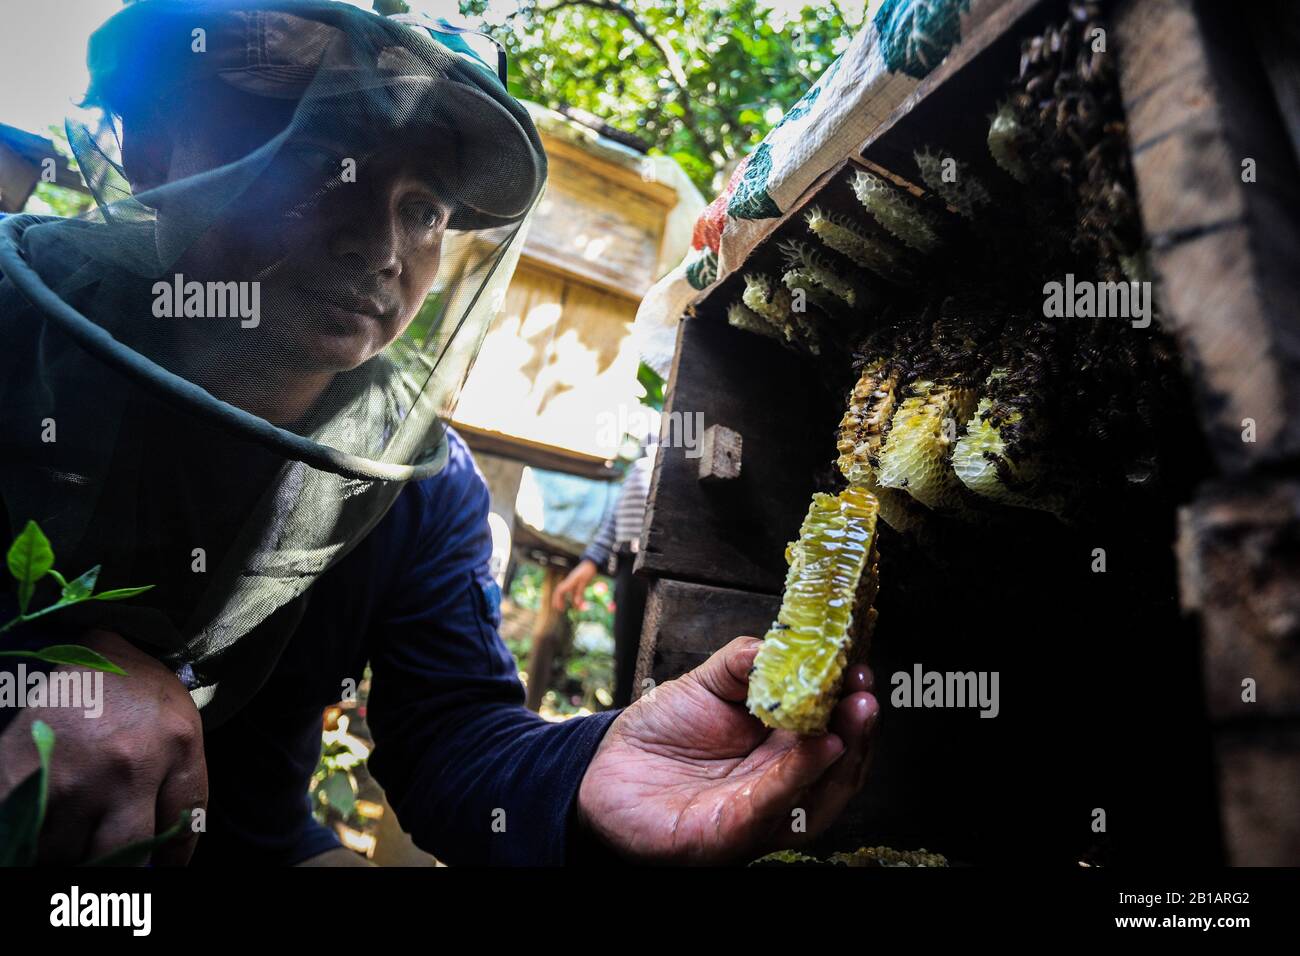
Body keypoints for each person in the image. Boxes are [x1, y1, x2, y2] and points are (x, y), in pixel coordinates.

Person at [0, 0, 878, 866]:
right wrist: (52, 671)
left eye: (423, 209)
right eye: (324, 164)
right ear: (160, 147)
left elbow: (449, 733)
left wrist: (592, 771)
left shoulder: (422, 486)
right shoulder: (17, 328)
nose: (382, 244)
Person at [554, 423, 655, 708]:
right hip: (629, 560)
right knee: (627, 663)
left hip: (663, 563)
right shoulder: (654, 433)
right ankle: (621, 727)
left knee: (655, 665)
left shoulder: (694, 424)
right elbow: (620, 508)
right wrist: (591, 559)